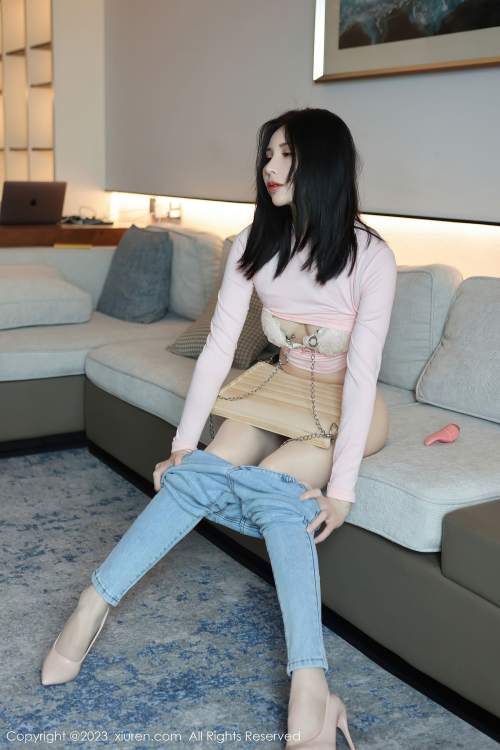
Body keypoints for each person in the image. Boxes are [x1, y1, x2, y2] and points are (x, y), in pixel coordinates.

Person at [41, 107, 397, 750]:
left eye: (286, 156)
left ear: (322, 165)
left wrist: (341, 492)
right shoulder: (253, 244)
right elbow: (217, 349)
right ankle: (93, 604)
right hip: (279, 387)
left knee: (270, 492)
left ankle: (312, 684)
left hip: (348, 403)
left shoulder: (371, 257)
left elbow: (364, 373)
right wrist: (183, 445)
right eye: (268, 155)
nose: (270, 168)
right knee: (200, 470)